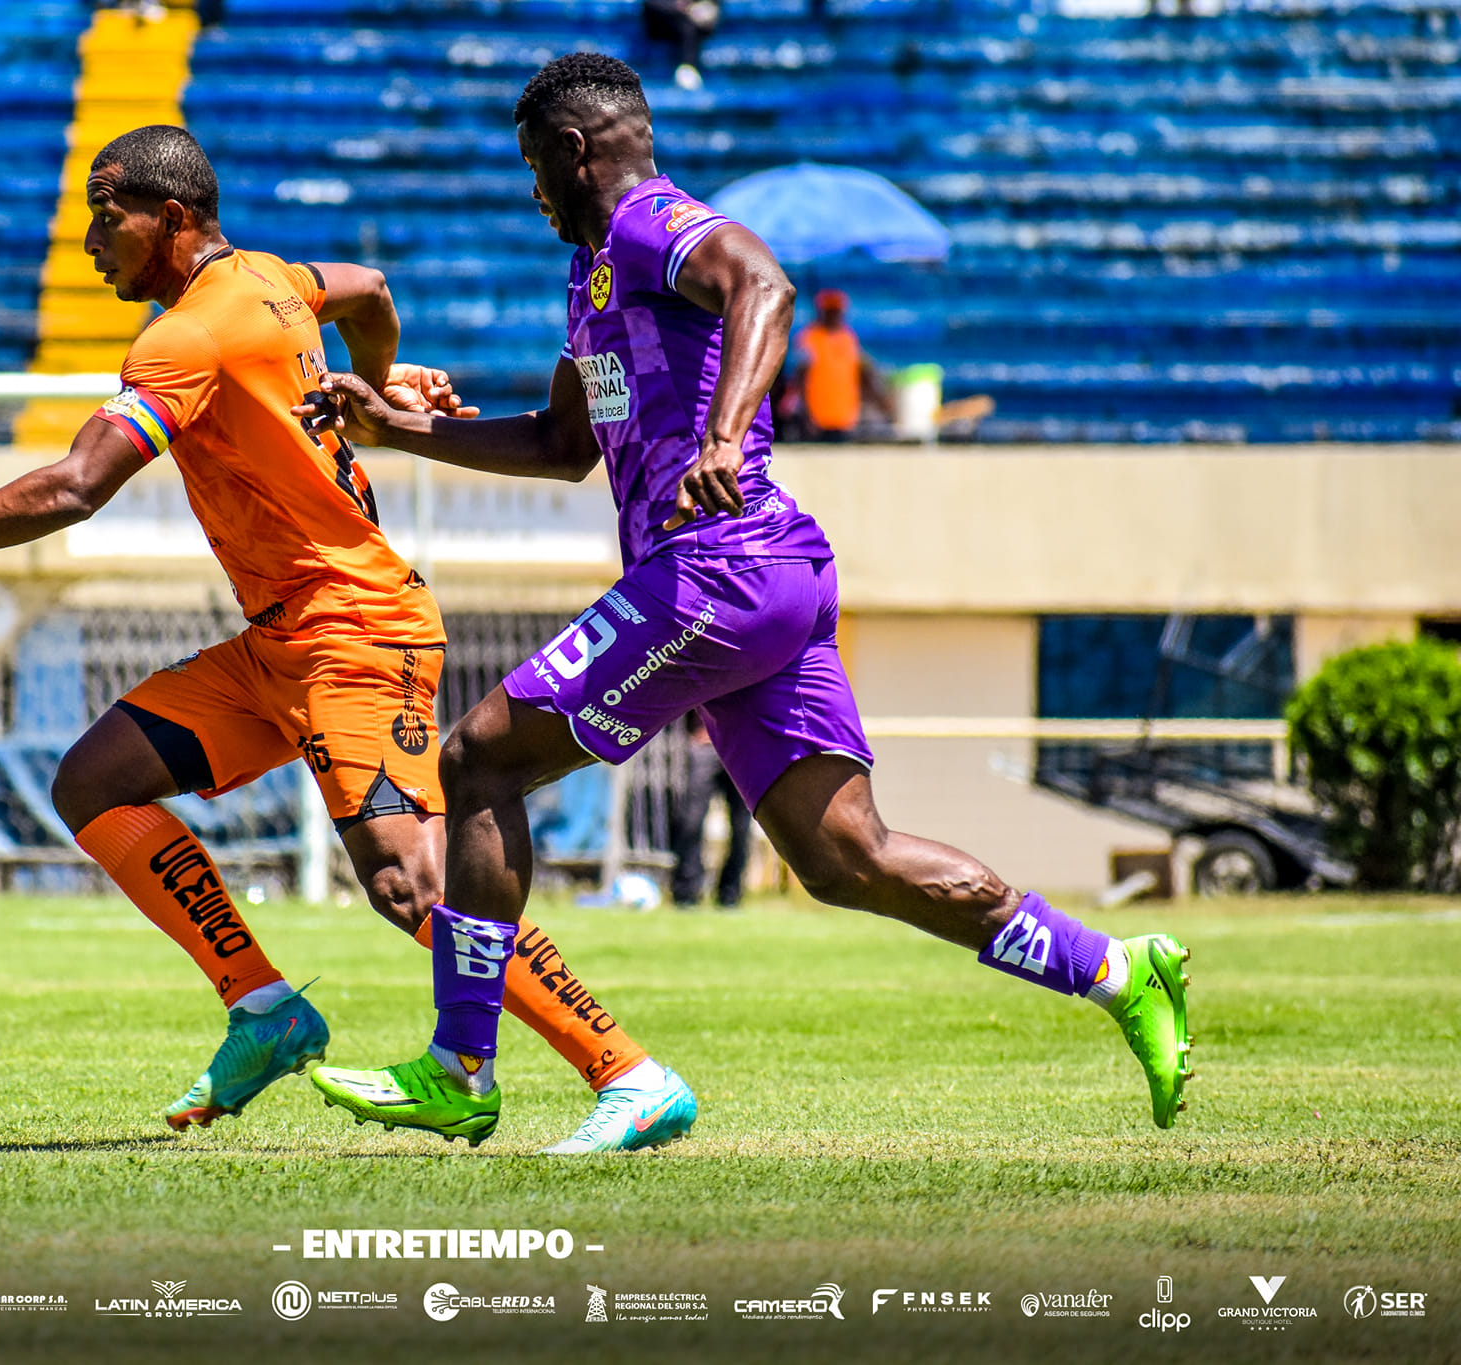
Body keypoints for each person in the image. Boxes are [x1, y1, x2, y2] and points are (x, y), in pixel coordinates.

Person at [302, 54, 1194, 1149]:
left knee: (477, 759)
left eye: (535, 163)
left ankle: (459, 1064)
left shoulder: (646, 223)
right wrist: (395, 429)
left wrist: (723, 436)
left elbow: (758, 283)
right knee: (842, 859)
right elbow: (558, 444)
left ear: (575, 149)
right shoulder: (591, 278)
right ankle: (1112, 970)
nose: (530, 188)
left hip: (715, 566)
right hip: (760, 578)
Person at [0, 125, 690, 1150]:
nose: (94, 243)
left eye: (109, 218)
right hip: (279, 642)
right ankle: (264, 1009)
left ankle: (626, 1072)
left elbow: (76, 486)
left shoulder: (181, 341)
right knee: (92, 782)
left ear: (170, 220)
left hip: (353, 635)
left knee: (411, 887)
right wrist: (377, 388)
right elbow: (368, 288)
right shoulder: (273, 280)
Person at [790, 288, 894, 441]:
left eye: (836, 311)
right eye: (830, 311)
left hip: (844, 416)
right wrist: (805, 413)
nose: (834, 315)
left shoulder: (848, 338)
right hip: (817, 416)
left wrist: (881, 403)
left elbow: (863, 372)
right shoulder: (809, 338)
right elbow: (800, 377)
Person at [668, 717, 750, 909]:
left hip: (743, 748)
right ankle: (686, 893)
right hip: (704, 746)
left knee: (741, 829)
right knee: (690, 822)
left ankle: (730, 895)